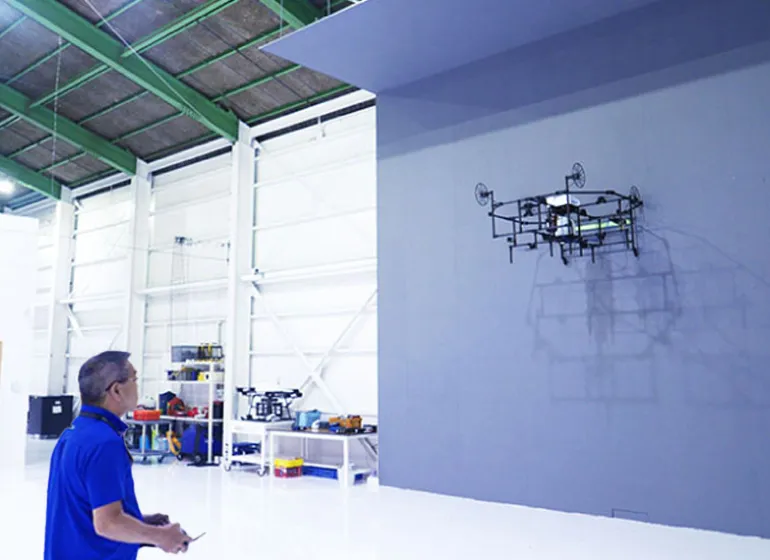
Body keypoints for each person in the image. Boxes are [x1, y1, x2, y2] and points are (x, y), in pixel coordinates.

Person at [44, 351, 190, 559]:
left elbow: (84, 510)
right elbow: (108, 523)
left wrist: (139, 522)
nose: (137, 386)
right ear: (116, 390)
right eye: (134, 379)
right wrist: (161, 536)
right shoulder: (104, 443)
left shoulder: (74, 434)